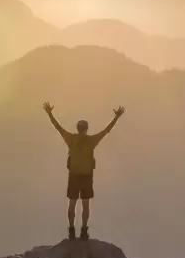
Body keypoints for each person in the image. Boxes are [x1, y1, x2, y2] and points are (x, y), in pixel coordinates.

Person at [42, 102, 125, 241]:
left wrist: (49, 113)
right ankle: (84, 231)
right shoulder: (91, 141)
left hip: (73, 175)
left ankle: (71, 230)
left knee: (72, 203)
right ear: (86, 129)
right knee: (85, 205)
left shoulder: (71, 139)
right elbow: (106, 131)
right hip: (86, 176)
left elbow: (58, 127)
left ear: (78, 128)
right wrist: (116, 117)